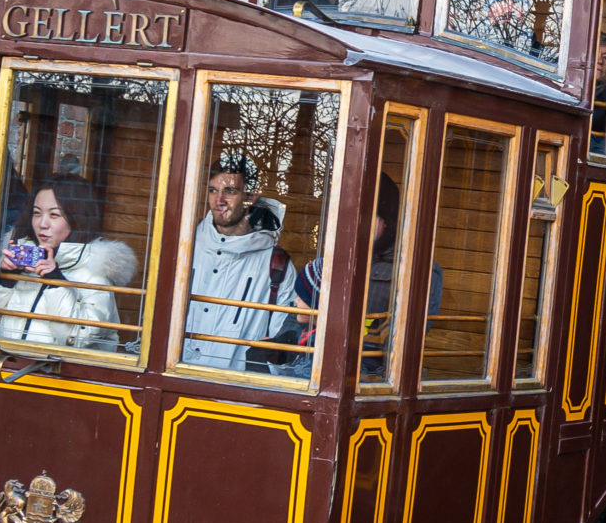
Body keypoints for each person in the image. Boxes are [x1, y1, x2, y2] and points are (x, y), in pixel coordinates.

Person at [181, 161, 311, 374]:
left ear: (250, 197)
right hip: (176, 383)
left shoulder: (276, 265)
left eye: (229, 191)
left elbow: (281, 350)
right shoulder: (185, 247)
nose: (219, 200)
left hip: (236, 396)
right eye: (213, 190)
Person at [0, 174, 138, 352]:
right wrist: (6, 279)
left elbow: (77, 340)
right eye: (37, 213)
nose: (42, 224)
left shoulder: (95, 271)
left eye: (54, 215)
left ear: (76, 219)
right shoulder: (21, 259)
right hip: (7, 369)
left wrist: (56, 281)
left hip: (55, 376)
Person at [315, 174, 441, 381]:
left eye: (364, 216)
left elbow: (404, 339)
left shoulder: (417, 270)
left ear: (385, 222)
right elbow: (300, 313)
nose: (354, 224)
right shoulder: (332, 259)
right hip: (316, 371)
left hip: (375, 383)